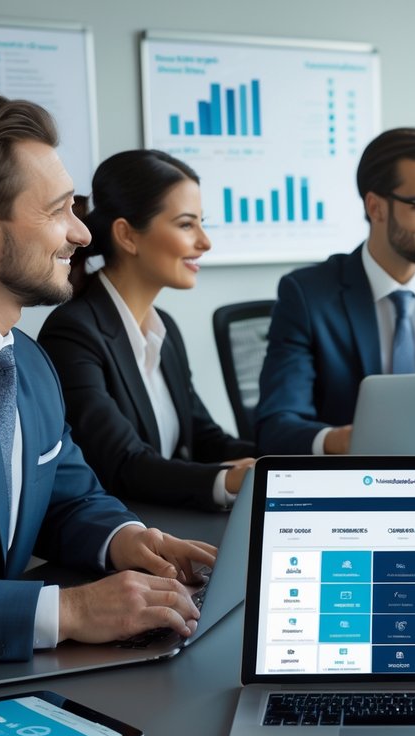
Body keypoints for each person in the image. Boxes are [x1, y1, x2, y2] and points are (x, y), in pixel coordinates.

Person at [0, 95, 212, 662]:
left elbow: (69, 499)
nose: (81, 234)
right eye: (58, 211)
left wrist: (128, 540)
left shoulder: (25, 362)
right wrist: (69, 611)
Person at [255, 127, 415, 455]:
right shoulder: (308, 296)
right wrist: (346, 440)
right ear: (376, 207)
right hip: (353, 489)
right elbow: (277, 427)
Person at [37, 150, 255, 512]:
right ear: (127, 235)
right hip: (127, 533)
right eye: (187, 225)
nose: (205, 242)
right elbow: (122, 464)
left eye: (202, 223)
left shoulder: (164, 327)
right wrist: (228, 479)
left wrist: (283, 464)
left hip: (174, 517)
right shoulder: (73, 334)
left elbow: (205, 438)